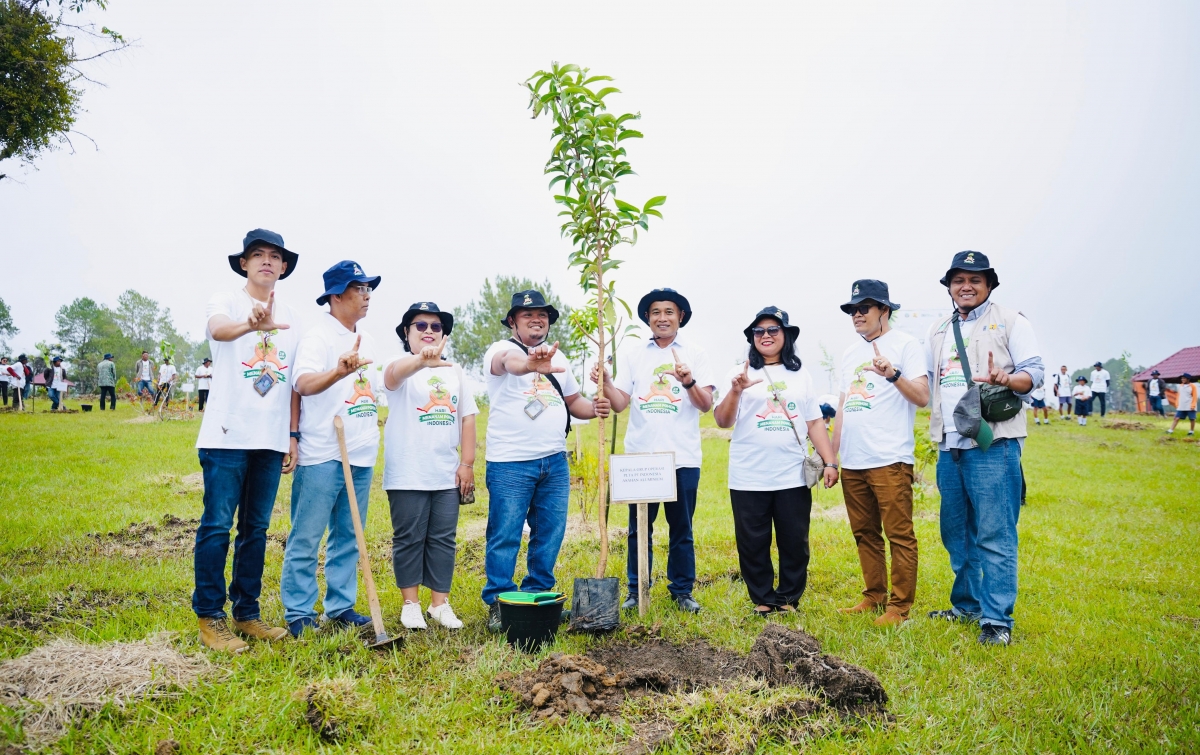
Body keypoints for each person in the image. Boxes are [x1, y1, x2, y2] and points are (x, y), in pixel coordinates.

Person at [924, 251, 1043, 647]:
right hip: (949, 445)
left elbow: (1035, 374)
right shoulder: (939, 329)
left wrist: (1007, 378)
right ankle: (967, 605)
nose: (966, 286)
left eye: (975, 279)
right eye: (958, 280)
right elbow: (929, 384)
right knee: (956, 533)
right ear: (950, 287)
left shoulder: (1011, 320)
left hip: (994, 444)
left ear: (989, 284)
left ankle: (996, 620)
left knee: (995, 533)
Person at [193, 228, 302, 653]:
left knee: (255, 529)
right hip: (226, 435)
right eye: (257, 255)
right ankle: (210, 616)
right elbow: (219, 330)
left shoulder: (292, 317)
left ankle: (247, 613)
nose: (267, 262)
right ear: (244, 263)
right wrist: (248, 324)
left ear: (284, 266)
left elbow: (292, 383)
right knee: (217, 525)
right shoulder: (226, 302)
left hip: (271, 440)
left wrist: (292, 435)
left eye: (275, 256)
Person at [481, 289, 610, 631]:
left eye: (542, 315)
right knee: (505, 533)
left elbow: (574, 402)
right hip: (511, 462)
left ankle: (537, 594)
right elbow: (509, 364)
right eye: (527, 315)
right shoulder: (501, 350)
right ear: (512, 321)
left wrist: (594, 408)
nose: (536, 319)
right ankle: (499, 602)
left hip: (554, 461)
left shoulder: (560, 357)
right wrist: (529, 364)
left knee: (549, 533)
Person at [591, 288, 715, 614]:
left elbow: (706, 405)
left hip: (683, 457)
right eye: (656, 312)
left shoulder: (696, 354)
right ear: (648, 317)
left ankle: (682, 591)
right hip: (641, 457)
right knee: (638, 528)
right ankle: (636, 589)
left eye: (669, 312)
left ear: (681, 317)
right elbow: (620, 403)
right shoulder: (635, 354)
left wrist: (688, 382)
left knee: (682, 529)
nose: (662, 318)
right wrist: (605, 380)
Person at [713, 306, 838, 615]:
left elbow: (814, 423)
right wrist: (735, 391)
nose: (765, 336)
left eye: (773, 330)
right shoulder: (738, 373)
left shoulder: (801, 374)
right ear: (751, 338)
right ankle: (763, 599)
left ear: (786, 336)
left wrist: (830, 461)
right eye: (759, 331)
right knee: (752, 541)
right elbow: (722, 421)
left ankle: (787, 598)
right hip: (748, 474)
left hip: (791, 475)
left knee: (794, 540)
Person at [281, 261, 382, 637]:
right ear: (336, 295)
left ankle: (339, 607)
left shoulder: (368, 339)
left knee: (349, 535)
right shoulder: (317, 336)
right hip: (324, 451)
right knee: (307, 534)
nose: (367, 294)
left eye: (369, 288)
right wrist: (337, 372)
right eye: (359, 288)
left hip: (361, 452)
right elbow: (303, 383)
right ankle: (298, 611)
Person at [830, 280, 929, 626]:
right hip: (854, 461)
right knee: (864, 533)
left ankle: (899, 608)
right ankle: (873, 597)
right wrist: (832, 456)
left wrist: (893, 374)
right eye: (852, 310)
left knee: (899, 534)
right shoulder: (848, 354)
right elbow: (843, 406)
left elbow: (922, 395)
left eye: (864, 308)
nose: (856, 315)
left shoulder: (905, 345)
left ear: (884, 310)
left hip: (890, 458)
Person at [383, 302, 477, 630]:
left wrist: (466, 463)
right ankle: (410, 604)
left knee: (442, 538)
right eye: (419, 326)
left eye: (435, 327)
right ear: (406, 334)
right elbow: (393, 376)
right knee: (409, 536)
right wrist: (421, 361)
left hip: (445, 471)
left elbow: (467, 418)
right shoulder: (398, 367)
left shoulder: (455, 371)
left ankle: (440, 604)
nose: (428, 332)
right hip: (408, 471)